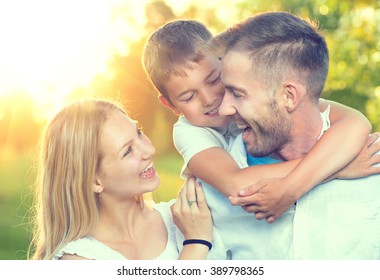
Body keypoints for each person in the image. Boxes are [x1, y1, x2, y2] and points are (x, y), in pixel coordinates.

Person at [142, 19, 379, 225]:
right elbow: (237, 184)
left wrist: (292, 186)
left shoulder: (255, 96)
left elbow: (355, 121)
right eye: (189, 96)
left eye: (214, 80)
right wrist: (337, 168)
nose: (210, 98)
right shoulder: (190, 131)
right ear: (170, 105)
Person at [219, 11, 380, 259]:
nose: (223, 109)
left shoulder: (372, 165)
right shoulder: (212, 186)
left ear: (289, 96)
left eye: (237, 94)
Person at [28, 99, 221, 260]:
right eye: (128, 151)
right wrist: (196, 244)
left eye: (139, 132)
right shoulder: (78, 260)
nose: (149, 150)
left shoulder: (182, 219)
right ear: (94, 182)